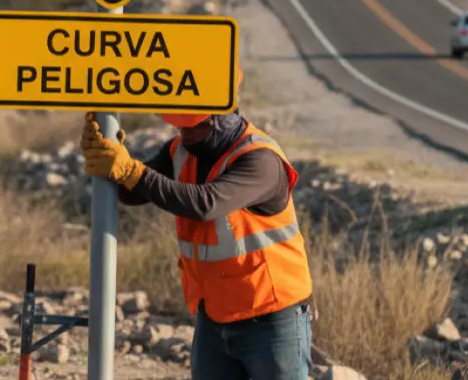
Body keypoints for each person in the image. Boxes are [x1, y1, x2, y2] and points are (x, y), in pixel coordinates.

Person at [78, 68, 314, 380]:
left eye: (194, 126)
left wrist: (132, 171)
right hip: (213, 318)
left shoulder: (260, 160)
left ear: (223, 115)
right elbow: (133, 193)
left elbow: (205, 204)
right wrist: (109, 160)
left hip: (272, 319)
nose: (184, 135)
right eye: (179, 126)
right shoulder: (181, 151)